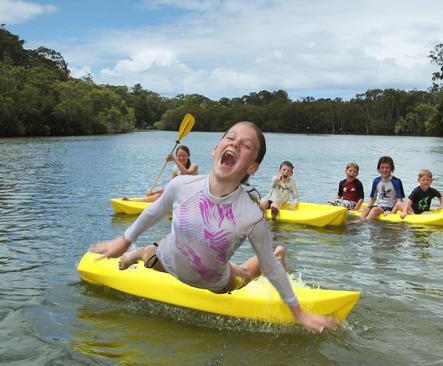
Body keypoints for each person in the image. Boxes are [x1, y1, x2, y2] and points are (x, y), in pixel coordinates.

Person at [91, 122, 338, 333]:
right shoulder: (181, 186)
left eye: (246, 145)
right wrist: (124, 240)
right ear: (215, 149)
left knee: (246, 274)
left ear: (252, 167)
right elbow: (153, 211)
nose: (234, 144)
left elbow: (270, 268)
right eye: (230, 138)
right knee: (150, 257)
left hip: (218, 282)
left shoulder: (251, 216)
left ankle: (279, 252)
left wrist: (298, 312)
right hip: (166, 261)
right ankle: (138, 252)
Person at [124, 145, 198, 202]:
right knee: (157, 194)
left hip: (190, 196)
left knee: (160, 196)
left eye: (184, 155)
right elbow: (170, 187)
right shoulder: (175, 170)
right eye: (179, 156)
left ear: (188, 156)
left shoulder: (193, 166)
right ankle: (141, 201)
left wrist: (174, 159)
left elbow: (186, 172)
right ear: (176, 156)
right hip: (180, 195)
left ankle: (133, 201)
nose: (181, 158)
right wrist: (153, 192)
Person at [360, 156, 405, 220]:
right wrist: (368, 207)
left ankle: (363, 223)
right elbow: (373, 198)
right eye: (382, 168)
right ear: (379, 169)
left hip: (390, 207)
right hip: (379, 206)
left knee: (374, 210)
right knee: (365, 210)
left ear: (391, 169)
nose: (384, 170)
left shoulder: (396, 182)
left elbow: (399, 201)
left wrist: (392, 212)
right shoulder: (376, 181)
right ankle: (361, 221)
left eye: (387, 168)